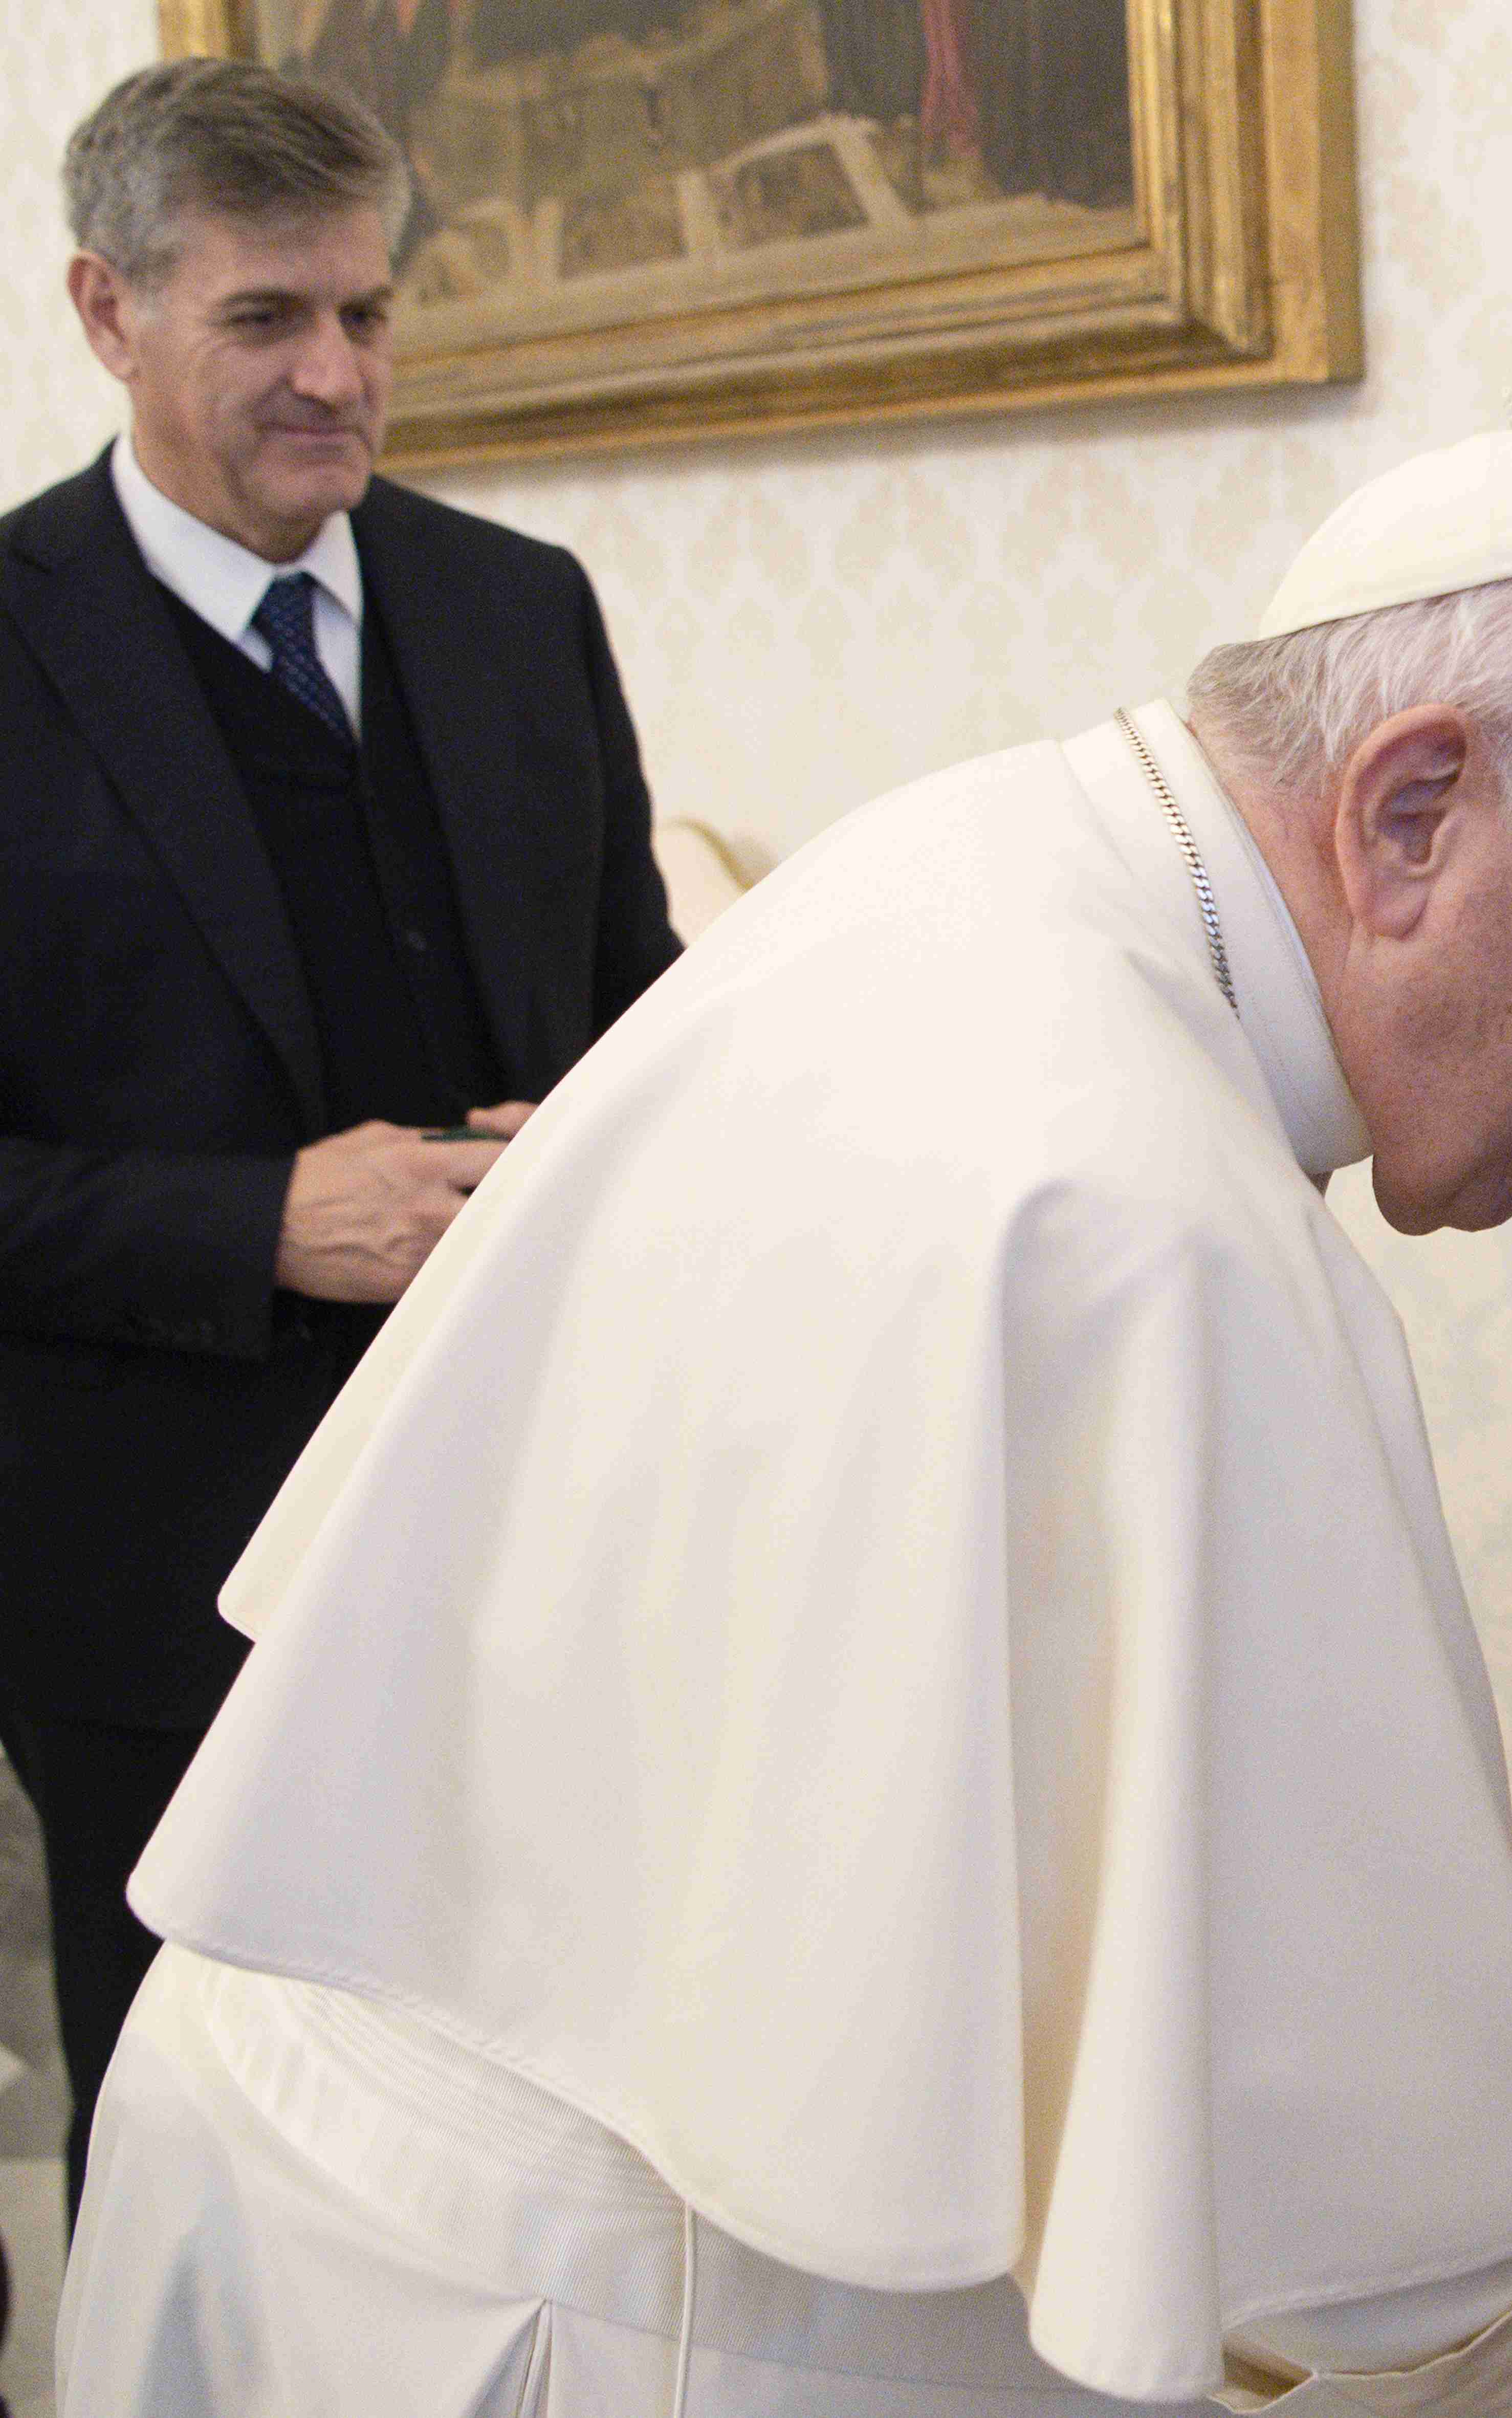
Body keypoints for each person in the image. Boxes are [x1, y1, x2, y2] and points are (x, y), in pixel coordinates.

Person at [58, 428, 1512, 2417]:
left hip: (283, 2193)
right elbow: (1413, 2251)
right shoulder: (1141, 1211)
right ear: (1411, 809)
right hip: (591, 2329)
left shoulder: (964, 862)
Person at [0, 57, 676, 2203]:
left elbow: (643, 1017)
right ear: (110, 315)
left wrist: (583, 1129)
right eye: (263, 322)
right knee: (195, 2140)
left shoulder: (519, 611)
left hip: (516, 1534)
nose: (333, 377)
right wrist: (253, 1222)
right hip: (143, 1568)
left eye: (365, 317)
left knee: (511, 2129)